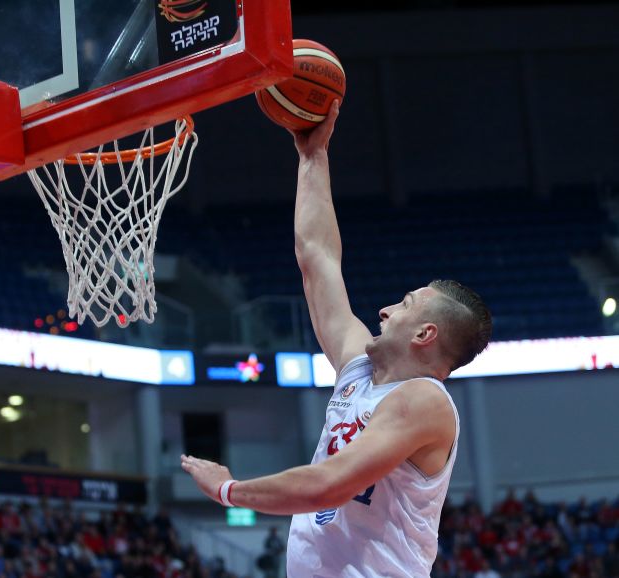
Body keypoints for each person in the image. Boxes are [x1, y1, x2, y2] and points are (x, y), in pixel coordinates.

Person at [181, 100, 493, 578]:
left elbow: (329, 485)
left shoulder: (424, 401)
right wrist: (313, 158)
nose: (386, 309)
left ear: (426, 334)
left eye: (405, 304)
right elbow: (317, 257)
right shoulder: (360, 369)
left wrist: (229, 490)